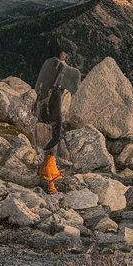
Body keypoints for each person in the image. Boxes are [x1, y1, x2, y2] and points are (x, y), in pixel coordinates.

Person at [34, 51, 82, 193]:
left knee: (48, 136)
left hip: (44, 104)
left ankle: (45, 172)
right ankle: (50, 180)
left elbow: (40, 86)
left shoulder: (50, 64)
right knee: (53, 137)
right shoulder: (70, 72)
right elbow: (73, 89)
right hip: (53, 104)